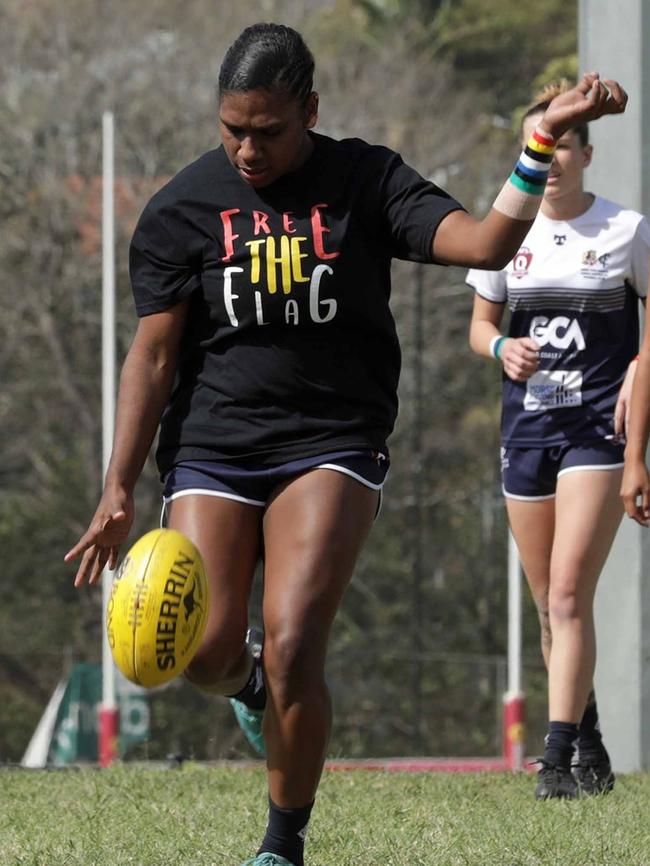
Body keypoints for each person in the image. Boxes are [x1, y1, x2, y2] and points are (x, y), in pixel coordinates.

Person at [64, 22, 627, 864]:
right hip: (214, 447)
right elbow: (152, 354)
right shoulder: (182, 208)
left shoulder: (364, 179)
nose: (248, 149)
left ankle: (281, 846)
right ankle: (247, 684)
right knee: (206, 652)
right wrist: (118, 486)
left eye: (269, 130)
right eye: (233, 130)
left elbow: (484, 244)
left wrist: (539, 144)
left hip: (331, 440)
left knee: (293, 641)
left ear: (310, 111)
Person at [467, 81, 648, 801]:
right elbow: (481, 327)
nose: (553, 158)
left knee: (571, 594)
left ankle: (555, 763)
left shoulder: (627, 230)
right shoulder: (507, 236)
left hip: (595, 435)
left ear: (586, 153)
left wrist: (637, 393)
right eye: (542, 144)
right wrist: (499, 350)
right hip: (528, 432)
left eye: (566, 143)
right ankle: (590, 734)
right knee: (549, 607)